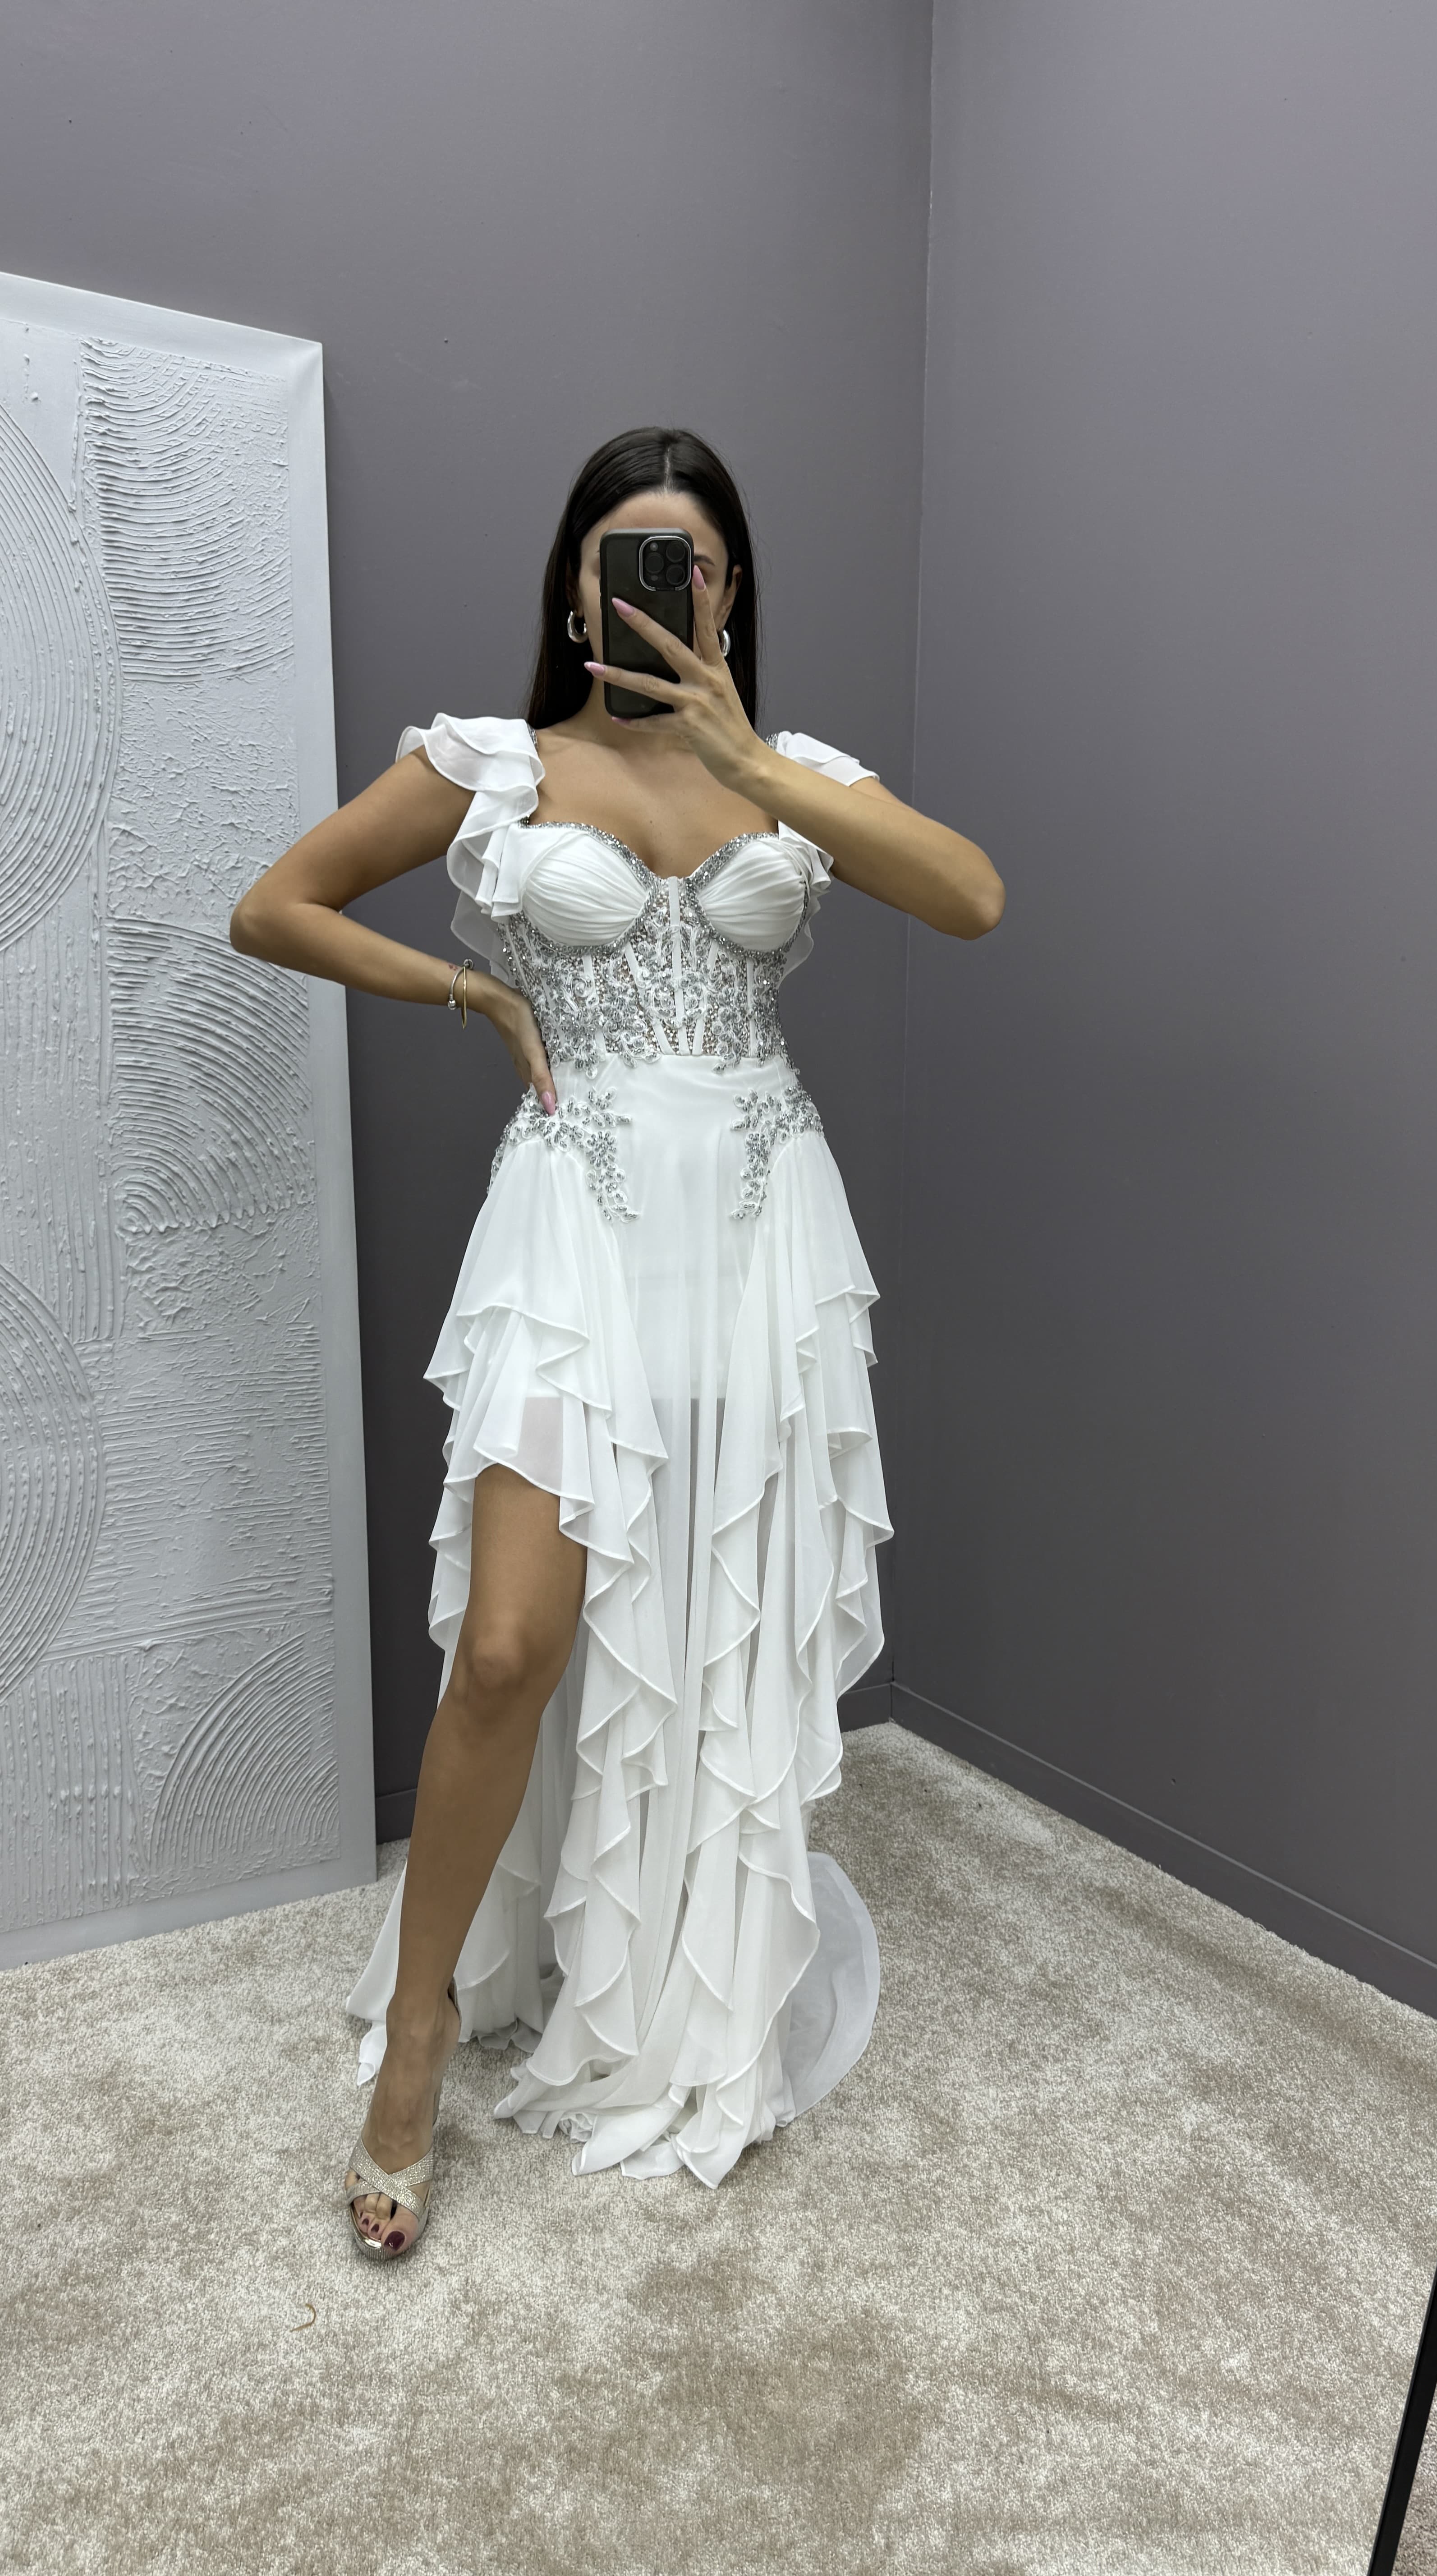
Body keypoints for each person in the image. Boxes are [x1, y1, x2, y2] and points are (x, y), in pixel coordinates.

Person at [231, 427, 1003, 2258]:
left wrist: (749, 764)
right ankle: (418, 2029)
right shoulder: (497, 765)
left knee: (712, 1621)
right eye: (625, 554)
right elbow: (274, 906)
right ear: (574, 584)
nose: (658, 584)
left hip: (754, 1235)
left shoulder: (797, 775)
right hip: (577, 1223)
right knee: (510, 1644)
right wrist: (471, 987)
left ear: (732, 591)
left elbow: (971, 897)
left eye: (693, 559)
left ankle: (675, 1986)